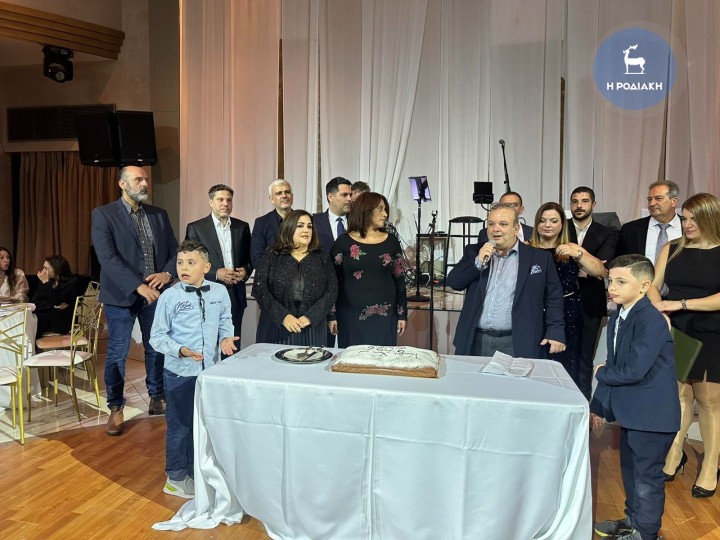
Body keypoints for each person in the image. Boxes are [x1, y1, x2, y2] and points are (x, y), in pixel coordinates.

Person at [591, 254, 680, 540]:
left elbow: (633, 370)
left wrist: (601, 372)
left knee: (646, 479)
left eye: (621, 282)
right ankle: (633, 521)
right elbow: (617, 362)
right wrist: (599, 405)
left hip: (652, 415)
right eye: (610, 281)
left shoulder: (651, 319)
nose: (612, 287)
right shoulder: (620, 315)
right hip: (633, 413)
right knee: (631, 473)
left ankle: (645, 533)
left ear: (644, 287)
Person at [92, 165, 179, 436]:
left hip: (156, 294)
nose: (144, 184)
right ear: (122, 184)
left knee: (156, 347)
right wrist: (137, 286)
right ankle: (116, 406)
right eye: (138, 179)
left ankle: (156, 396)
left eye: (145, 179)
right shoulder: (104, 214)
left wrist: (167, 274)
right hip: (121, 296)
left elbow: (175, 250)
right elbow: (107, 258)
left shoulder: (159, 214)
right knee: (117, 352)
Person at [150, 240, 237, 499]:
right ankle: (176, 477)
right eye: (180, 263)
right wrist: (181, 350)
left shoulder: (220, 292)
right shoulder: (170, 296)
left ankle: (196, 469)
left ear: (206, 267)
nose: (184, 268)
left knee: (203, 424)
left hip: (209, 371)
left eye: (191, 262)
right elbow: (157, 337)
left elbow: (225, 320)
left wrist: (225, 338)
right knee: (180, 426)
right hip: (179, 373)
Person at [649, 193, 720, 499]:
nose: (687, 224)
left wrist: (679, 303)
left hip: (712, 331)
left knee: (708, 401)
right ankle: (675, 453)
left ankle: (710, 465)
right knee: (679, 395)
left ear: (710, 218)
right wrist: (660, 309)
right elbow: (652, 286)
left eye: (694, 219)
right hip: (677, 329)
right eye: (686, 218)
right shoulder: (672, 247)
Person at [447, 202, 565, 358]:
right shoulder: (475, 252)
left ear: (516, 228)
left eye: (503, 224)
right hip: (475, 339)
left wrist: (555, 331)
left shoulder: (540, 258)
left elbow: (554, 297)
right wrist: (478, 262)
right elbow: (454, 282)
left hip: (516, 342)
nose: (496, 229)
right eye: (491, 224)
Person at [529, 202, 607, 385]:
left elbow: (600, 271)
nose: (547, 225)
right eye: (543, 220)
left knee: (567, 365)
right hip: (533, 312)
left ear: (562, 224)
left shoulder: (570, 247)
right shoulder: (527, 248)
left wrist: (576, 254)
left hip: (568, 313)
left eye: (553, 221)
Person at [330, 192, 407, 347]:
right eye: (380, 209)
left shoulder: (391, 242)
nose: (385, 214)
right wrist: (331, 315)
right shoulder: (343, 242)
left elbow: (400, 280)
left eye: (385, 209)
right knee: (352, 358)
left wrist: (402, 315)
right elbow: (332, 282)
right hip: (350, 316)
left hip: (385, 316)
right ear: (365, 210)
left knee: (383, 358)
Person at [252, 210, 337, 345]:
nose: (306, 230)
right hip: (276, 326)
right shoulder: (272, 254)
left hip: (312, 327)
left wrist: (310, 317)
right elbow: (259, 289)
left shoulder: (321, 256)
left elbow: (332, 290)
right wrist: (283, 316)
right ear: (289, 227)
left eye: (309, 226)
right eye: (300, 226)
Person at [568, 186, 618, 400]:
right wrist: (590, 264)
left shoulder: (606, 232)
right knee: (560, 354)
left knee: (585, 357)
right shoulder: (560, 228)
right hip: (559, 301)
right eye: (575, 201)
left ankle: (583, 404)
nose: (579, 205)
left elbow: (601, 269)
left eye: (585, 201)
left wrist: (575, 257)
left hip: (590, 303)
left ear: (593, 205)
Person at [185, 184, 252, 342]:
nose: (225, 204)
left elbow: (250, 259)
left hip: (235, 296)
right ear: (211, 202)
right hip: (207, 296)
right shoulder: (196, 228)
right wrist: (215, 273)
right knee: (207, 346)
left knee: (232, 345)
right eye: (220, 200)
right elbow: (189, 264)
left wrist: (245, 271)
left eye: (229, 200)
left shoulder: (242, 227)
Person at [615, 180, 681, 262]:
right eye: (649, 199)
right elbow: (619, 262)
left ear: (674, 202)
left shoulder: (688, 228)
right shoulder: (630, 229)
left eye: (658, 198)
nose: (652, 203)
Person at [31, 255, 84, 338]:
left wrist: (45, 283)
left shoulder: (72, 282)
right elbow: (35, 301)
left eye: (46, 268)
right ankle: (31, 345)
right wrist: (53, 306)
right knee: (31, 318)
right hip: (47, 314)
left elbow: (57, 300)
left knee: (36, 320)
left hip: (64, 319)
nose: (43, 271)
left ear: (57, 269)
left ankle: (34, 345)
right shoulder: (47, 280)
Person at [251, 179, 293, 269]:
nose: (284, 196)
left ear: (292, 196)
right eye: (279, 193)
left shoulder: (304, 220)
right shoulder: (261, 223)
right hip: (272, 276)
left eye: (287, 192)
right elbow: (257, 258)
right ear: (272, 199)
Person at [313, 177, 353, 254]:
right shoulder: (314, 222)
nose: (349, 199)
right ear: (330, 197)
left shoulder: (358, 221)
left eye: (350, 195)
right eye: (344, 195)